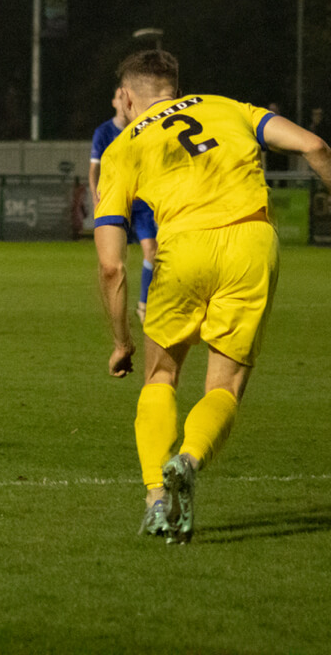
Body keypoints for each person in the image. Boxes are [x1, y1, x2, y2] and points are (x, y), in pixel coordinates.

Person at [94, 49, 331, 544]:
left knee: (161, 375)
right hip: (251, 242)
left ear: (130, 97)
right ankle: (191, 458)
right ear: (174, 88)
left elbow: (112, 265)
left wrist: (121, 342)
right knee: (223, 387)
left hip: (182, 248)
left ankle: (157, 495)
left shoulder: (122, 147)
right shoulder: (228, 107)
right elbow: (314, 146)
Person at [89, 87, 157, 322]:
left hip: (142, 203)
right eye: (119, 97)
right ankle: (116, 311)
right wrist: (95, 196)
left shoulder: (142, 129)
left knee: (151, 250)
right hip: (117, 202)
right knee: (114, 263)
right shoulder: (104, 132)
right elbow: (94, 169)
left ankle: (145, 304)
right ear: (115, 102)